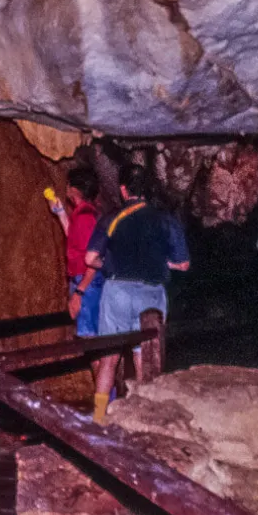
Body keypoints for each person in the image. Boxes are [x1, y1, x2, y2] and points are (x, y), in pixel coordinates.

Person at [85, 163, 189, 423]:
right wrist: (161, 263)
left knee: (109, 358)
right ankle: (145, 418)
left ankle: (98, 418)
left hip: (117, 292)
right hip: (151, 295)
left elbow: (90, 258)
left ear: (123, 190)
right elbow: (184, 264)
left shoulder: (112, 218)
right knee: (145, 358)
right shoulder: (166, 220)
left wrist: (109, 265)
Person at [48, 166, 103, 339]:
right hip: (83, 281)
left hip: (86, 282)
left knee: (89, 339)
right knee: (87, 340)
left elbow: (94, 258)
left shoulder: (86, 217)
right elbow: (74, 238)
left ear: (74, 190)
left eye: (68, 185)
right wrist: (60, 212)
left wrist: (79, 292)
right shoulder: (81, 215)